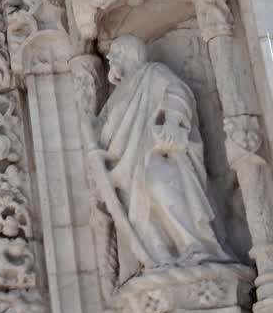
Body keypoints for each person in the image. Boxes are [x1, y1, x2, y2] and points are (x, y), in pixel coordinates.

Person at [90, 35, 228, 284]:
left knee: (160, 184)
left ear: (130, 54)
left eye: (116, 53)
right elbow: (106, 130)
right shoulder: (116, 96)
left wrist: (173, 121)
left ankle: (196, 245)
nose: (111, 59)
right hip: (126, 168)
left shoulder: (152, 73)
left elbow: (177, 92)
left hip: (158, 151)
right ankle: (159, 258)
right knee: (139, 214)